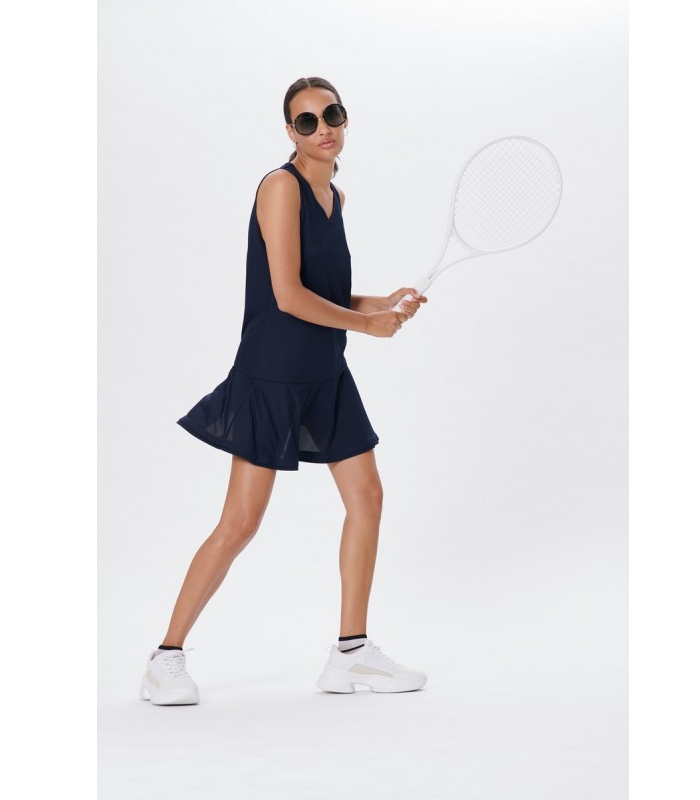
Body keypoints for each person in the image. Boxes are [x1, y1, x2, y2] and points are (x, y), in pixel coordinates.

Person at [140, 77, 428, 705]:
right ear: (290, 132)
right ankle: (165, 658)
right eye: (307, 121)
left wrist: (378, 304)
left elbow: (323, 292)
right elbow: (288, 295)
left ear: (345, 119)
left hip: (326, 371)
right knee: (240, 522)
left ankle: (350, 653)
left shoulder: (335, 194)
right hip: (271, 373)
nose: (323, 128)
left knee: (367, 499)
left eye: (332, 114)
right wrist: (367, 327)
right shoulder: (279, 187)